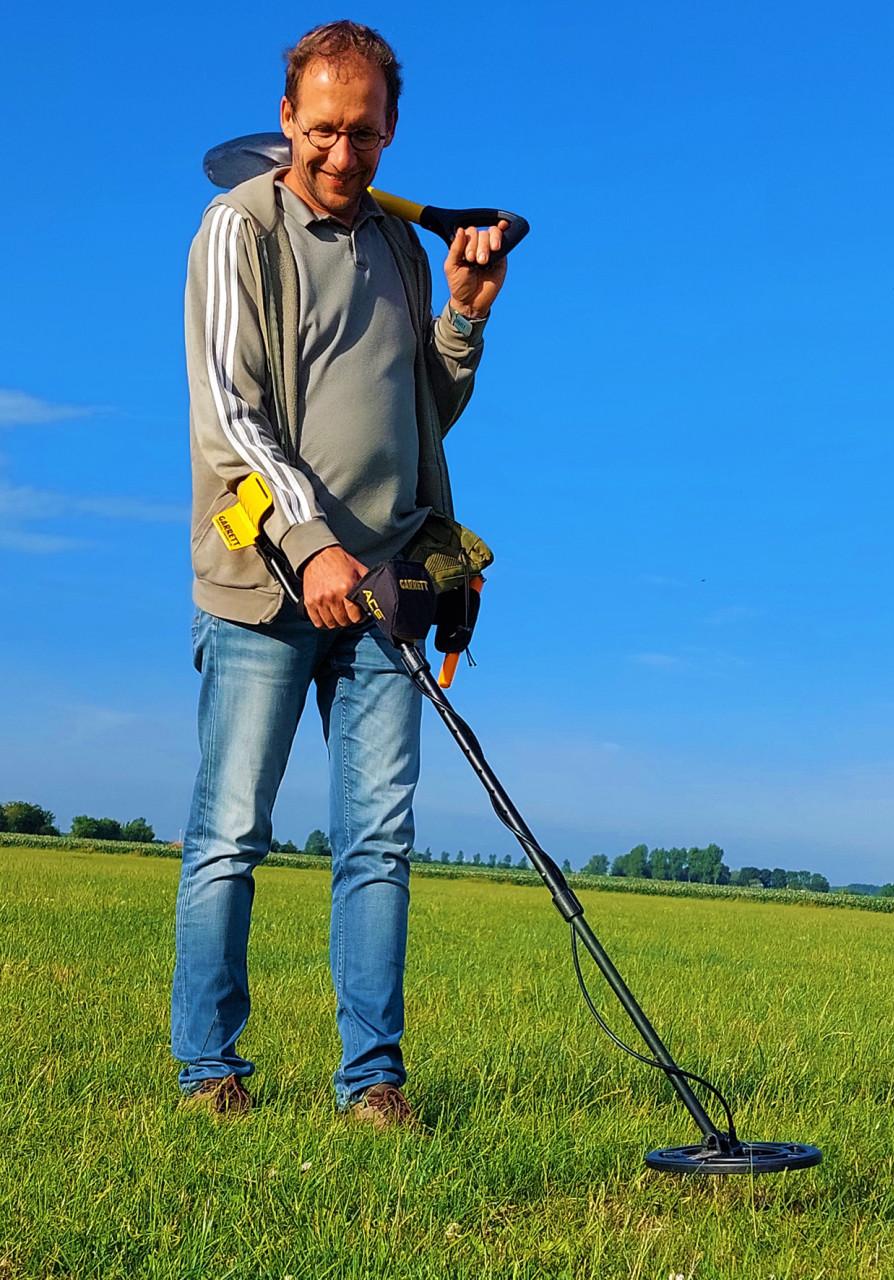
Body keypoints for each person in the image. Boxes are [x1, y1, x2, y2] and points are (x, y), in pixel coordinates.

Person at [171, 20, 509, 1127]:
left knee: (379, 844)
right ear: (287, 118)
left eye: (364, 133)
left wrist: (463, 315)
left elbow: (424, 413)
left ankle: (373, 1082)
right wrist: (312, 541)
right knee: (232, 834)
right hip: (266, 584)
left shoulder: (402, 248)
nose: (341, 153)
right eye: (322, 129)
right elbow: (232, 416)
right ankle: (208, 1072)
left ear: (391, 129)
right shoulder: (237, 228)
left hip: (389, 587)